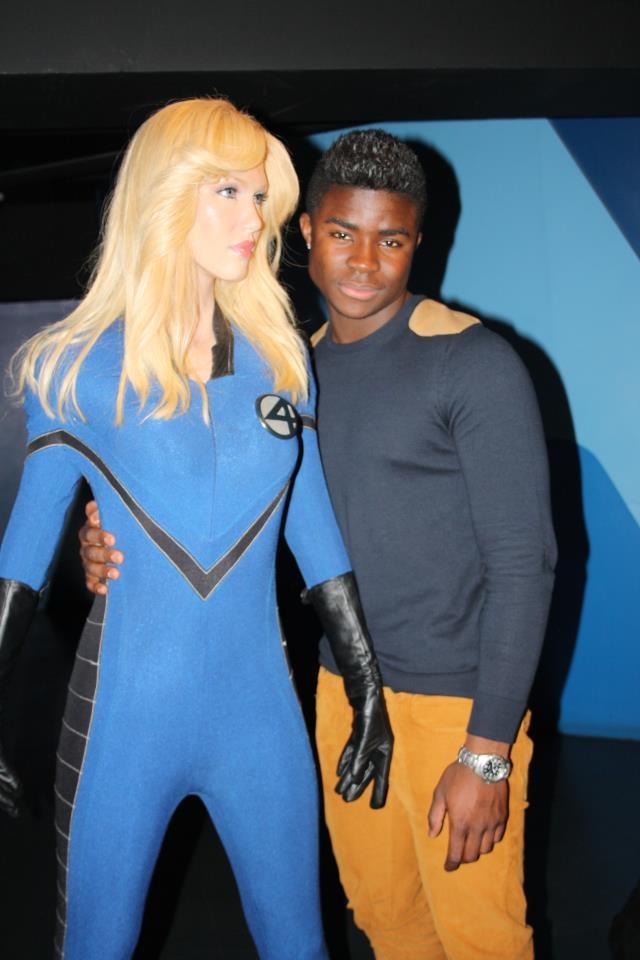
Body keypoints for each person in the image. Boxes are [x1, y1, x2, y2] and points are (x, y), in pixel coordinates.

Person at [79, 128, 557, 959]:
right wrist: (105, 542)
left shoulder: (471, 363)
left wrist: (486, 753)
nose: (364, 262)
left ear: (419, 242)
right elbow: (215, 511)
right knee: (386, 923)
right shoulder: (285, 373)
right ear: (306, 231)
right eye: (342, 232)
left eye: (391, 240)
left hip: (456, 707)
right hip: (344, 695)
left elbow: (526, 563)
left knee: (481, 940)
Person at [0, 101, 392, 960]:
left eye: (259, 196)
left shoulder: (281, 359)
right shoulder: (75, 367)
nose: (255, 219)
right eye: (228, 192)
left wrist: (367, 681)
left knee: (300, 946)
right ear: (163, 196)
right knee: (95, 947)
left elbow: (313, 528)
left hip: (261, 715)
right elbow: (22, 560)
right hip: (123, 718)